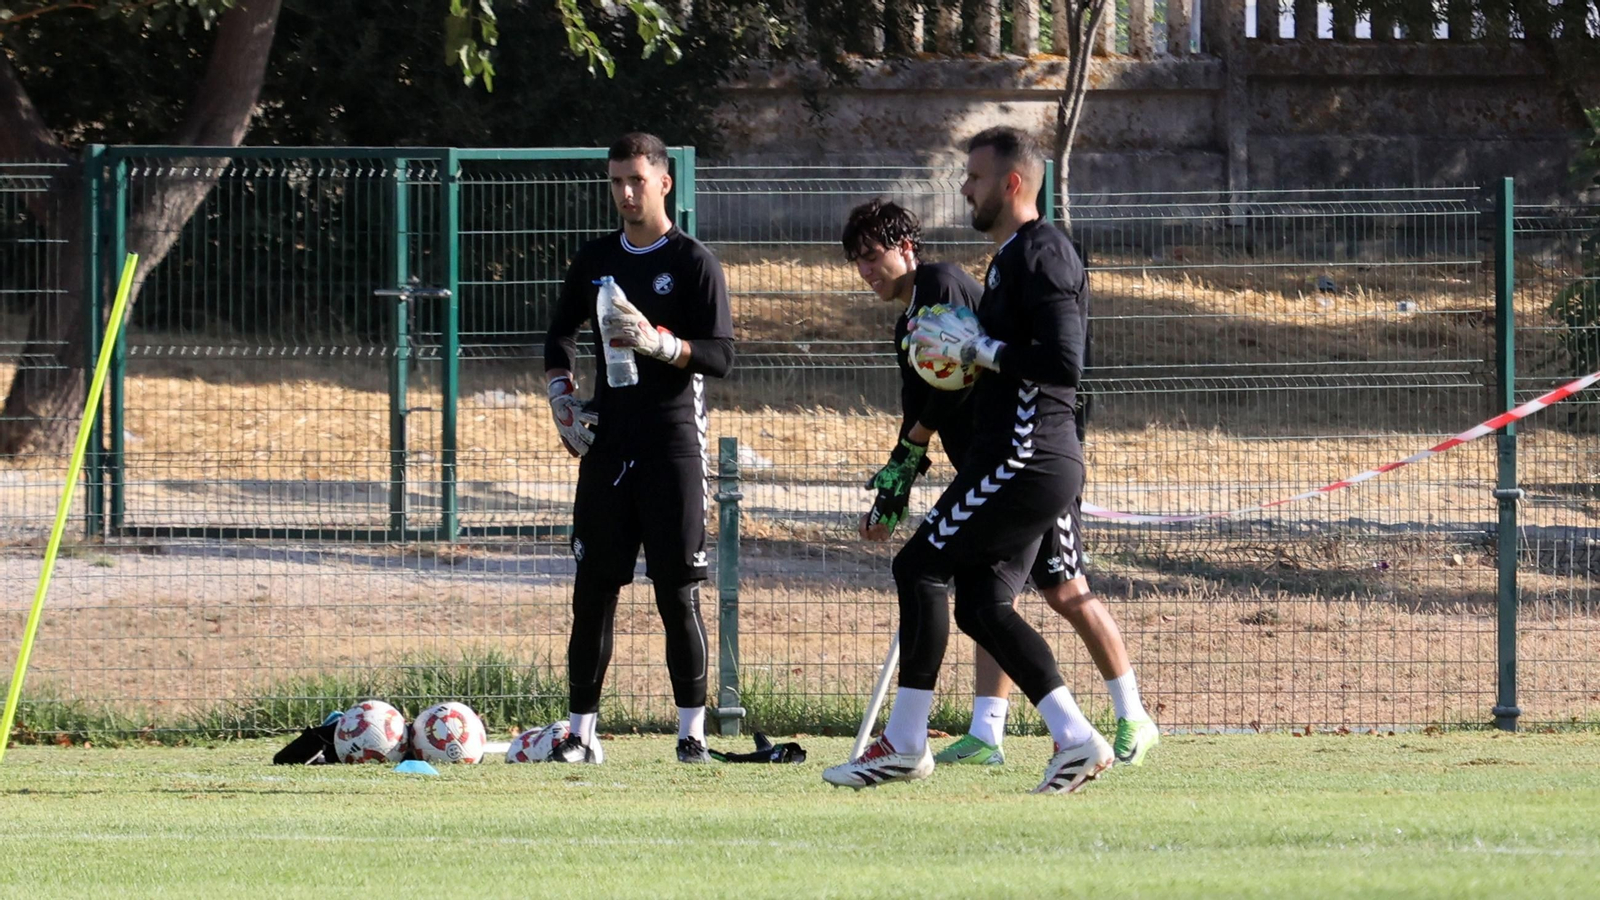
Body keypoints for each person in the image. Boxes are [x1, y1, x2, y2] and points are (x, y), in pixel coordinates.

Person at [824, 126, 1147, 793]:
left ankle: (913, 742)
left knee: (962, 572)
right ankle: (1071, 736)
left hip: (1025, 459)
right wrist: (894, 480)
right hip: (1005, 463)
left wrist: (981, 354)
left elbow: (1063, 362)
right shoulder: (1001, 263)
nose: (963, 190)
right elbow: (924, 412)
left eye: (972, 179)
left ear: (1011, 183)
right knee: (980, 603)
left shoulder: (1033, 253)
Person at [542, 132, 735, 764]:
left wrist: (661, 344)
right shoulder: (597, 258)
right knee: (593, 590)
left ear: (664, 182)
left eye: (637, 180)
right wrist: (562, 396)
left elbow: (721, 354)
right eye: (617, 181)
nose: (626, 193)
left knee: (676, 593)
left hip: (672, 446)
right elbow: (558, 336)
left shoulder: (693, 262)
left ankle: (691, 737)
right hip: (608, 446)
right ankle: (581, 737)